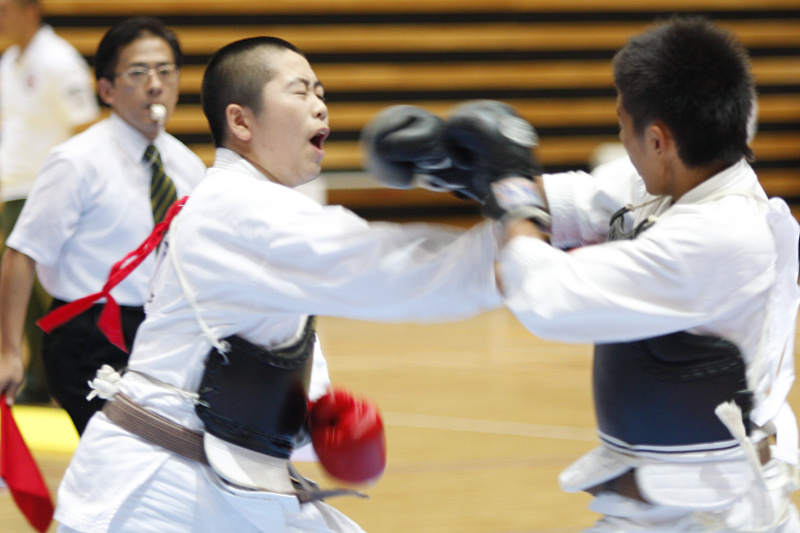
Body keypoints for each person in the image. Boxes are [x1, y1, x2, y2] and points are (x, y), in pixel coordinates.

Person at [51, 36, 501, 533]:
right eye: (301, 91)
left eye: (321, 92)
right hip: (157, 492)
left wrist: (315, 417)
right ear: (241, 121)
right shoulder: (243, 208)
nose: (320, 105)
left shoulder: (248, 205)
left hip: (214, 481)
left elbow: (268, 348)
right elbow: (384, 269)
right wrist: (515, 216)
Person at [415, 16, 798, 532]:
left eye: (623, 123)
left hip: (714, 516)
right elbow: (570, 202)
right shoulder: (674, 181)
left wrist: (509, 190)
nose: (621, 136)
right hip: (661, 505)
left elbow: (548, 297)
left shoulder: (721, 234)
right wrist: (454, 168)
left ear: (659, 140)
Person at [0, 17, 206, 434]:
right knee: (125, 450)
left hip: (159, 333)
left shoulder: (188, 167)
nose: (155, 84)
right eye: (138, 72)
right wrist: (8, 352)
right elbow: (21, 255)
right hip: (87, 339)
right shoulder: (75, 162)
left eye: (165, 71)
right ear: (106, 89)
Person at [0, 0, 100, 404]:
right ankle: (38, 379)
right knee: (18, 294)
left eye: (5, 9)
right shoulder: (9, 60)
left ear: (30, 11)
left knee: (50, 293)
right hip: (14, 188)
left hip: (47, 190)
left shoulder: (59, 60)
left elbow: (86, 126)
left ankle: (75, 375)